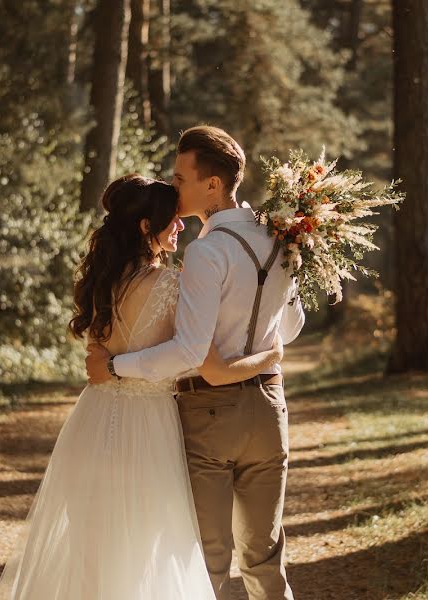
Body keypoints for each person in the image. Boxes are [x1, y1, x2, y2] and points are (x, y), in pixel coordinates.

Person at [0, 174, 284, 599]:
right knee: (149, 546)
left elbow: (97, 360)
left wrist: (111, 367)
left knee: (95, 547)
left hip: (91, 421)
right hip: (148, 427)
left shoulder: (100, 281)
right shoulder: (174, 285)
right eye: (171, 220)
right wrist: (270, 356)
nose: (180, 226)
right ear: (146, 227)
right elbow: (205, 362)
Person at [86, 126, 305, 600]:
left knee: (206, 561)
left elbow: (189, 352)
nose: (174, 187)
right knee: (266, 557)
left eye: (181, 177)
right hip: (270, 407)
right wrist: (264, 355)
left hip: (210, 413)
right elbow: (290, 328)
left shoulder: (206, 251)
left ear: (212, 185)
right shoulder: (282, 238)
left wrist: (117, 366)